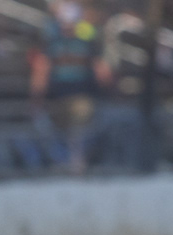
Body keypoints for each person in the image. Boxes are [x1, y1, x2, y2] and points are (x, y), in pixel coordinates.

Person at [28, 0, 112, 173]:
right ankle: (65, 162)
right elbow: (42, 69)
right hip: (58, 96)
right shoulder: (51, 41)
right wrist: (37, 96)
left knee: (79, 126)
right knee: (58, 129)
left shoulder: (86, 40)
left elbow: (101, 69)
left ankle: (76, 162)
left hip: (80, 95)